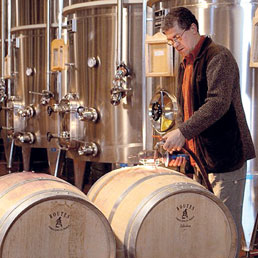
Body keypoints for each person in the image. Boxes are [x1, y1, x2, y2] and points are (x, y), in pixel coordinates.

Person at [161, 7, 256, 257]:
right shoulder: (187, 62)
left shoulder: (218, 57)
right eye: (170, 41)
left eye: (177, 37)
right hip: (201, 160)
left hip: (225, 157)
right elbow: (186, 107)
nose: (174, 44)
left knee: (226, 228)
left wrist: (183, 131)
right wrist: (182, 145)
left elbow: (217, 103)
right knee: (208, 227)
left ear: (193, 28)